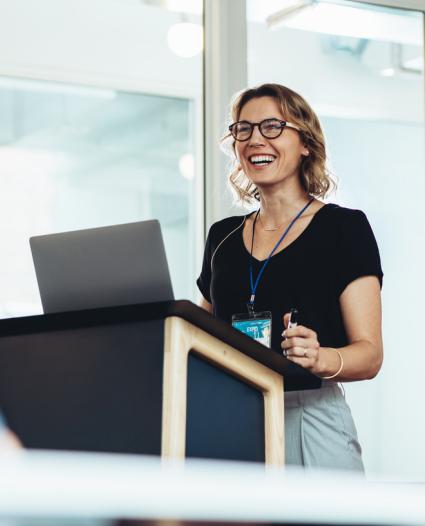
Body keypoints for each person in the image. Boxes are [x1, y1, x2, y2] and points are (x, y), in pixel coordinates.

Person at [197, 83, 383, 471]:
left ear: (305, 143)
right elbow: (202, 339)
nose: (253, 140)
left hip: (309, 416)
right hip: (233, 419)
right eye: (242, 129)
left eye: (271, 126)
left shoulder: (343, 228)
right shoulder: (222, 237)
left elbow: (369, 355)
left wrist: (320, 357)